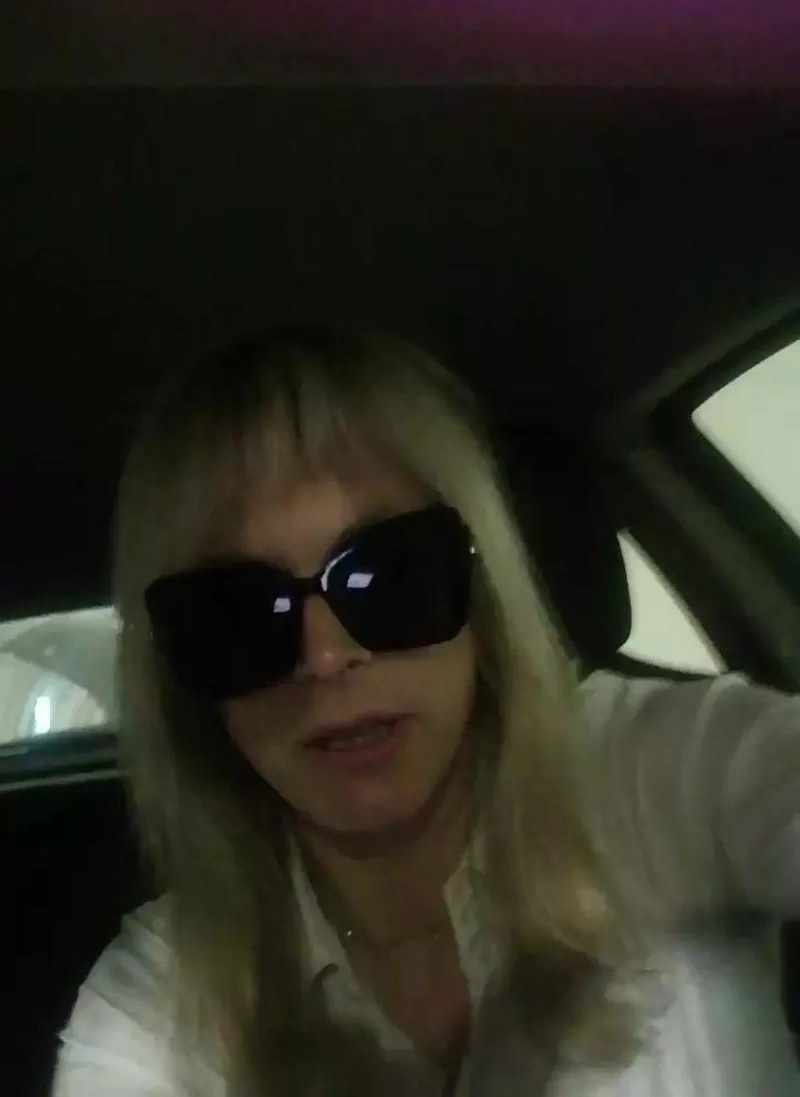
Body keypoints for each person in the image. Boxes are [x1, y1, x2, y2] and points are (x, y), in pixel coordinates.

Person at [53, 324, 800, 1096]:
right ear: (186, 679)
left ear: (482, 590)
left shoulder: (653, 771)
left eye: (388, 574)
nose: (325, 656)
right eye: (236, 614)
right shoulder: (162, 996)